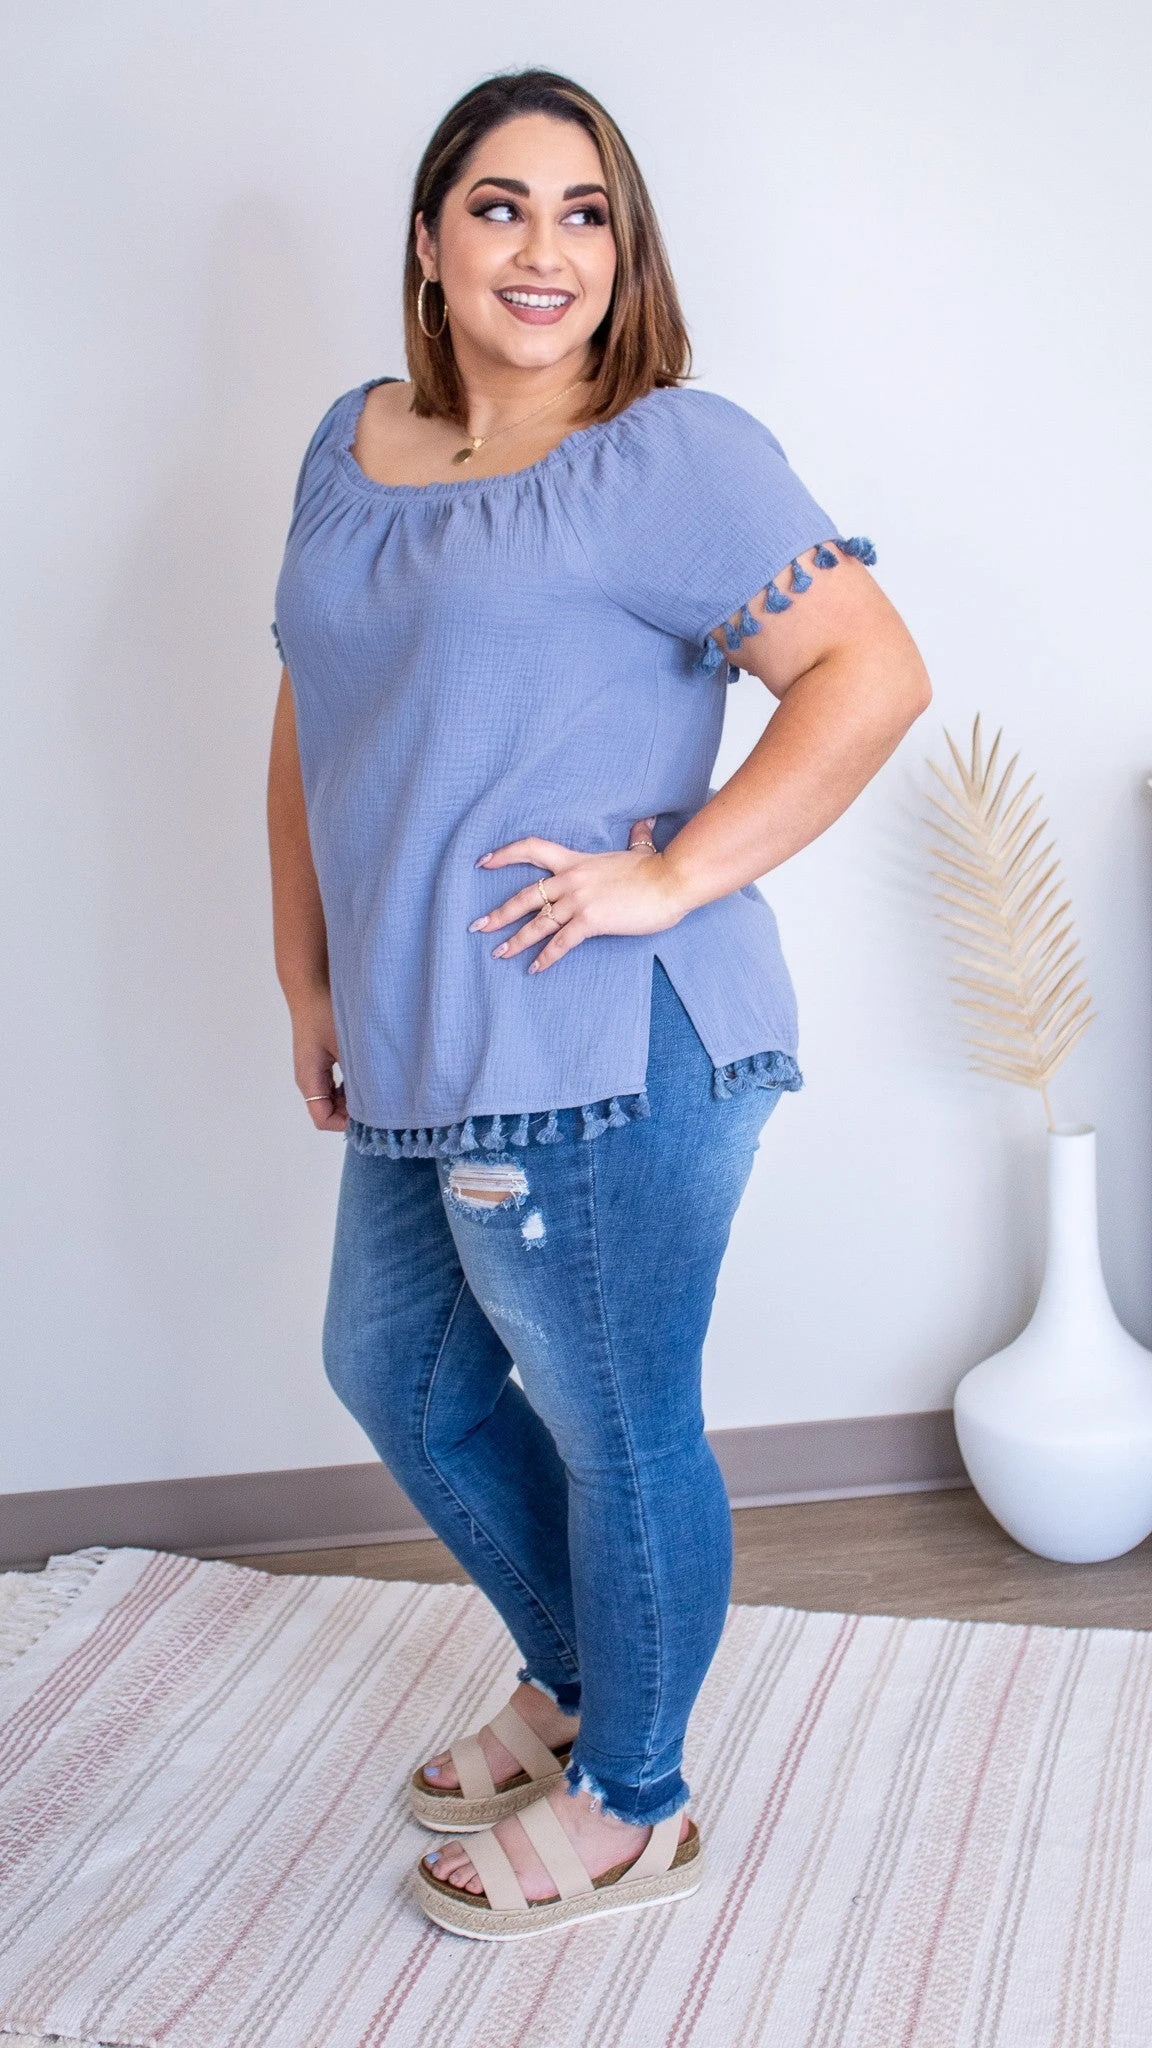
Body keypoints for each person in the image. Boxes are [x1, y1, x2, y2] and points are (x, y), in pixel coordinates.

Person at [266, 67, 930, 1942]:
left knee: (616, 1427)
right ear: (429, 240)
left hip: (603, 1042)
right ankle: (578, 1687)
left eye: (585, 213)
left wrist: (670, 874)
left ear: (626, 251)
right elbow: (312, 718)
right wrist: (307, 970)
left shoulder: (670, 455)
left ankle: (638, 1800)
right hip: (422, 1034)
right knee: (392, 1372)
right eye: (500, 205)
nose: (543, 249)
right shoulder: (350, 447)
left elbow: (868, 671)